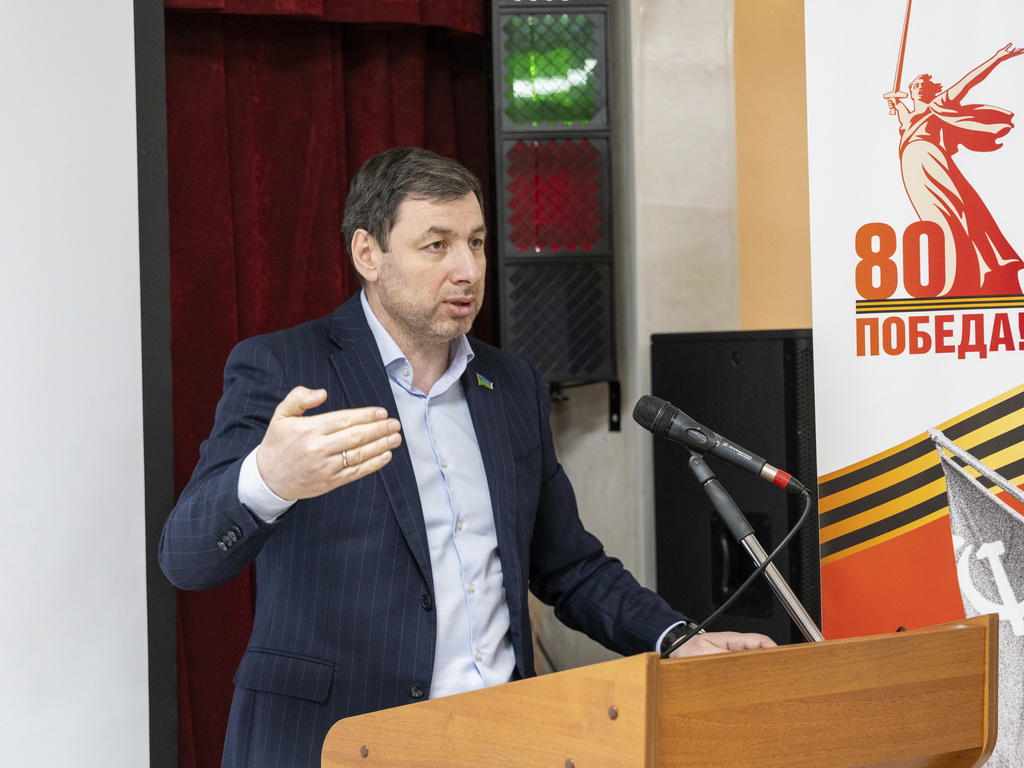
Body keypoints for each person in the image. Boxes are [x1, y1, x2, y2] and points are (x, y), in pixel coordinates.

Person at [159, 147, 774, 768]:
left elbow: (569, 565)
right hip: (335, 741)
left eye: (476, 243)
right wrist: (269, 479)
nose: (468, 270)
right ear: (368, 253)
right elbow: (186, 558)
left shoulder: (511, 384)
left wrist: (676, 638)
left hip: (498, 739)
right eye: (437, 245)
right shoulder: (284, 368)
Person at [887, 43, 1024, 296]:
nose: (919, 87)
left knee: (953, 212)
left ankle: (970, 273)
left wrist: (996, 58)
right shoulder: (908, 118)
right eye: (915, 85)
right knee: (932, 217)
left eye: (923, 85)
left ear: (932, 91)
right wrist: (894, 101)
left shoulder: (939, 104)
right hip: (912, 167)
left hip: (930, 160)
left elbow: (968, 81)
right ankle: (953, 274)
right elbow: (903, 115)